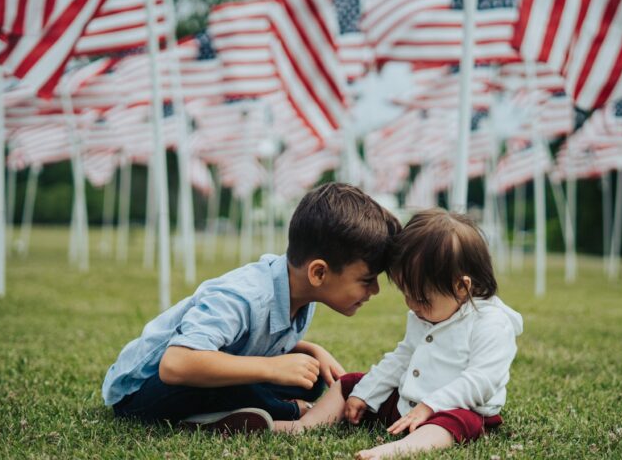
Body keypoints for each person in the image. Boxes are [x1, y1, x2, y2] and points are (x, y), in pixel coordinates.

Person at [101, 182, 402, 432]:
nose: (374, 290)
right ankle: (289, 413)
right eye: (367, 279)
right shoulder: (244, 296)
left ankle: (226, 415)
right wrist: (272, 368)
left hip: (203, 372)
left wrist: (310, 351)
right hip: (142, 393)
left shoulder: (300, 292)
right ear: (319, 273)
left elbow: (249, 340)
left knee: (309, 382)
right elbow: (176, 364)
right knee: (247, 385)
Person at [274, 208, 523, 460]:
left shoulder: (491, 323)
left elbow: (481, 380)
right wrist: (365, 393)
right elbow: (402, 358)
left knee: (455, 423)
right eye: (406, 294)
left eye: (421, 299)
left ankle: (396, 450)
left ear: (462, 286)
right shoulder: (425, 314)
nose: (412, 306)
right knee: (350, 383)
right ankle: (305, 425)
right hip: (408, 403)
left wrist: (431, 406)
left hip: (455, 410)